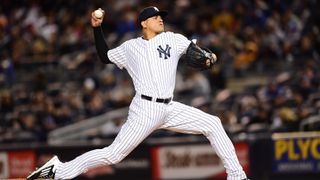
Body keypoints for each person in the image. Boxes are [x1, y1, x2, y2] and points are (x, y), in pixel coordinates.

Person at [27, 6, 248, 180]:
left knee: (213, 124)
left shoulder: (173, 38)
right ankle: (57, 171)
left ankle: (237, 176)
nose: (160, 19)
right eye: (155, 17)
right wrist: (96, 28)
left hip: (169, 107)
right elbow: (105, 56)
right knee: (113, 155)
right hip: (145, 109)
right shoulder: (130, 47)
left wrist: (209, 58)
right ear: (144, 23)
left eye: (161, 16)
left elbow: (197, 53)